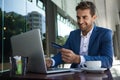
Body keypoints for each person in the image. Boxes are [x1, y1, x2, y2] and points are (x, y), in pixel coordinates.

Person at [46, 1, 113, 69]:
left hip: (96, 75)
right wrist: (52, 61)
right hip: (75, 74)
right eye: (78, 17)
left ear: (94, 17)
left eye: (84, 17)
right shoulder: (73, 34)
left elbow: (108, 61)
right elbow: (64, 54)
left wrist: (79, 59)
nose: (80, 21)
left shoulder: (105, 34)